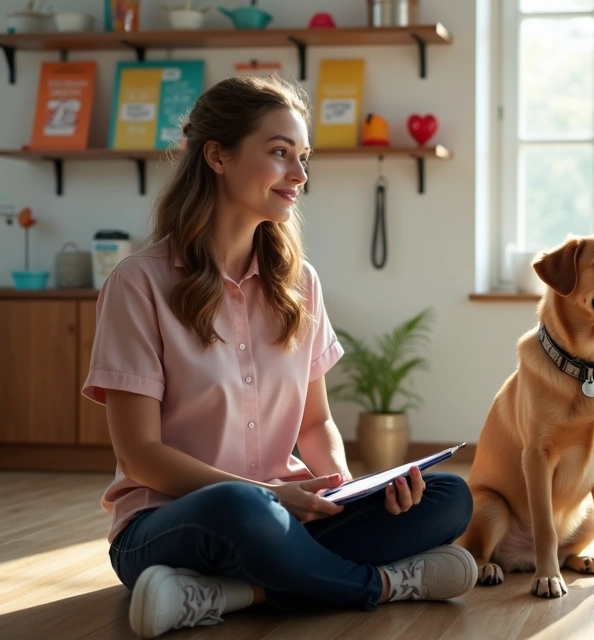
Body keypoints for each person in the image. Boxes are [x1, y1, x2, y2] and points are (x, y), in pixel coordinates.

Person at [83, 75, 476, 639]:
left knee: (447, 498)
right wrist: (266, 495)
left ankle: (235, 594)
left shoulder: (300, 285)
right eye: (279, 153)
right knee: (240, 510)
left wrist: (348, 491)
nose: (300, 174)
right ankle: (385, 585)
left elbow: (315, 423)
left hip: (288, 513)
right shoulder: (137, 283)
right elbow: (141, 455)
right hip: (173, 524)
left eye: (304, 157)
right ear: (217, 155)